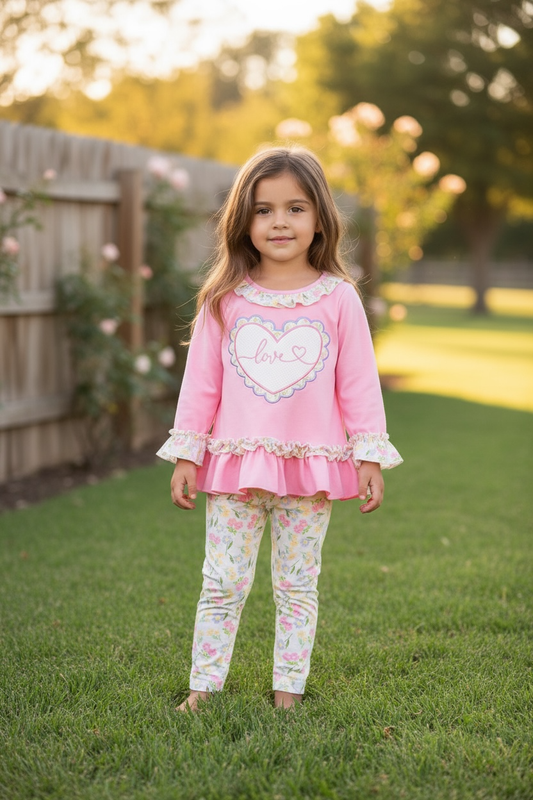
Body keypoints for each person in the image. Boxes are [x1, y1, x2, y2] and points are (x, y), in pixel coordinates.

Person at [157, 146, 402, 712]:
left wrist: (368, 456)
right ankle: (202, 690)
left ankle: (287, 692)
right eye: (264, 210)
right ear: (243, 220)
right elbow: (202, 385)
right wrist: (188, 454)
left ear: (320, 217)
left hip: (312, 469)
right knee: (222, 582)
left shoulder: (339, 299)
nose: (280, 222)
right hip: (235, 468)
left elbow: (358, 385)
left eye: (295, 208)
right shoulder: (224, 299)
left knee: (297, 587)